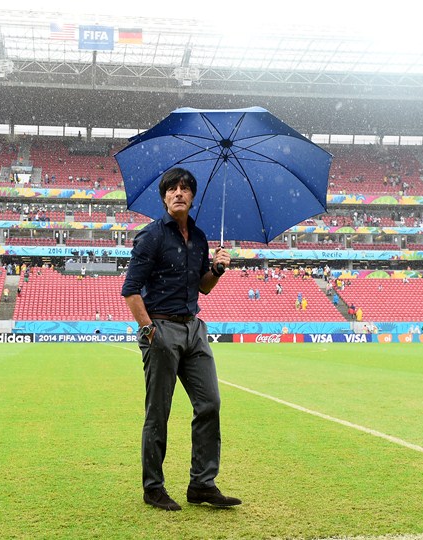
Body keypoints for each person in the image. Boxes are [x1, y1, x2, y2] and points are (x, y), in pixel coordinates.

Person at [121, 167, 240, 512]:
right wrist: (149, 331)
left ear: (192, 196)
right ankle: (153, 488)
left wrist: (216, 269)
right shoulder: (152, 236)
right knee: (158, 412)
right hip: (161, 328)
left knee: (210, 404)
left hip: (194, 327)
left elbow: (202, 286)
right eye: (172, 188)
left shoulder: (201, 238)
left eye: (185, 188)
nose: (178, 193)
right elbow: (130, 291)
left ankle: (202, 484)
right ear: (164, 197)